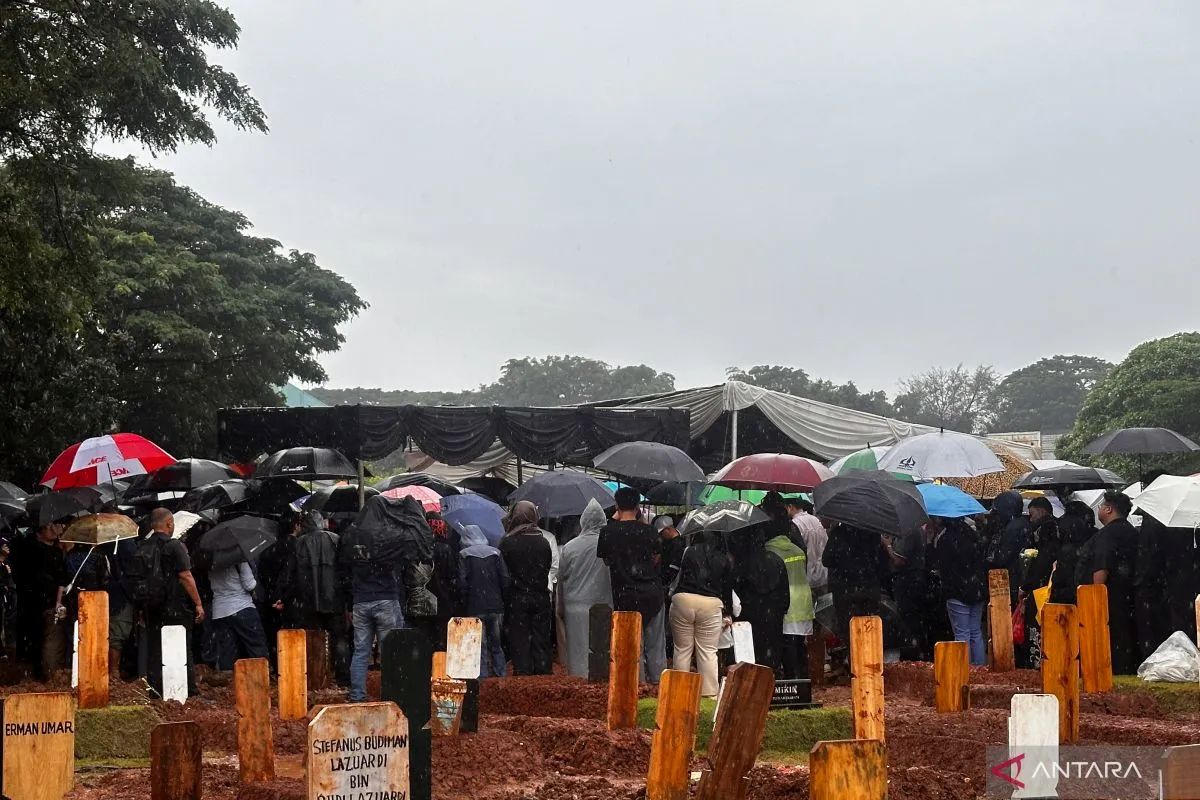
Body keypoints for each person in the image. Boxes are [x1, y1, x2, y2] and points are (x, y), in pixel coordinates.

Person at [337, 497, 418, 703]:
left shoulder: (352, 536)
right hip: (386, 599)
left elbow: (343, 568)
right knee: (390, 651)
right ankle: (393, 696)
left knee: (361, 651)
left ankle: (357, 695)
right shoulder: (387, 535)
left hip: (360, 601)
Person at [597, 487, 667, 684]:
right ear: (638, 506)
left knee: (631, 645)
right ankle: (658, 686)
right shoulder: (650, 531)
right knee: (655, 645)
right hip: (652, 592)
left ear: (617, 506)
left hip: (624, 594)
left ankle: (637, 686)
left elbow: (607, 561)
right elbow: (656, 558)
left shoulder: (607, 532)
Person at [273, 511, 350, 686]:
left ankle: (314, 678)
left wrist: (281, 596)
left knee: (312, 639)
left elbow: (289, 575)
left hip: (307, 600)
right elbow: (345, 572)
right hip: (334, 599)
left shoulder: (299, 544)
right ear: (321, 522)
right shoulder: (336, 540)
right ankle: (343, 678)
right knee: (340, 640)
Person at [135, 508, 205, 697]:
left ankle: (156, 690)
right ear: (169, 524)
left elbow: (137, 579)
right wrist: (198, 603)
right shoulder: (175, 546)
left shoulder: (141, 547)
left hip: (151, 606)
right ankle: (187, 690)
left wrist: (141, 608)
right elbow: (185, 575)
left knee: (155, 648)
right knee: (182, 647)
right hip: (175, 605)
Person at [670, 529, 734, 697]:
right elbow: (727, 590)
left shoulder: (689, 552)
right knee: (707, 651)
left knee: (682, 649)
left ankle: (680, 692)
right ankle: (709, 694)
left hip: (683, 599)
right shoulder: (724, 559)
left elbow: (679, 575)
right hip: (711, 604)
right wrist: (728, 612)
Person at [557, 499, 612, 678]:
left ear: (583, 521)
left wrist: (561, 607)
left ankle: (579, 685)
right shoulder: (610, 546)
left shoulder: (570, 547)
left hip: (575, 606)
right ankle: (601, 682)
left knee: (578, 649)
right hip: (604, 603)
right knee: (602, 647)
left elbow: (562, 576)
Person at [499, 501, 554, 675]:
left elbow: (504, 573)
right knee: (541, 636)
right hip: (540, 596)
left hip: (517, 597)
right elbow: (546, 567)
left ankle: (523, 671)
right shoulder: (544, 542)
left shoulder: (507, 543)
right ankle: (542, 670)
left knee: (519, 637)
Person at [11, 520, 69, 680]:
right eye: (49, 526)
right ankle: (41, 674)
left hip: (43, 601)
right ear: (39, 531)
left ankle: (42, 673)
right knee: (42, 638)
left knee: (47, 638)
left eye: (55, 525)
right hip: (34, 601)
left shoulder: (55, 552)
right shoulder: (30, 550)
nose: (54, 529)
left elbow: (61, 579)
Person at [1092, 491, 1139, 674]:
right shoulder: (1131, 531)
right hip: (1131, 594)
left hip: (1111, 595)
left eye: (1101, 506)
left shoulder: (1107, 534)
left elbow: (1102, 566)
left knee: (1114, 637)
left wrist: (1095, 597)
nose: (1099, 509)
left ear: (1109, 509)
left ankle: (1116, 670)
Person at [931, 515, 987, 665]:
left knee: (961, 633)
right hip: (976, 590)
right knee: (975, 631)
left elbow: (943, 567)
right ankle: (980, 669)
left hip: (957, 591)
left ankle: (963, 670)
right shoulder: (973, 536)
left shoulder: (945, 540)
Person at [763, 514, 814, 679]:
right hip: (803, 600)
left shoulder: (769, 552)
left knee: (788, 645)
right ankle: (804, 679)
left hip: (786, 602)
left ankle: (793, 681)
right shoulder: (798, 550)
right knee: (800, 644)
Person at [458, 523, 509, 677]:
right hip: (495, 605)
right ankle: (501, 674)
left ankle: (482, 676)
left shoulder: (464, 555)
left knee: (479, 645)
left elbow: (462, 582)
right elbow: (505, 579)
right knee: (496, 644)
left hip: (475, 605)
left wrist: (464, 602)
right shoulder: (496, 553)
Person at [821, 522, 888, 638]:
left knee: (848, 630)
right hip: (869, 588)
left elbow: (826, 560)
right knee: (869, 629)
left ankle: (853, 654)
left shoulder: (839, 531)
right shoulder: (874, 532)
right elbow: (881, 563)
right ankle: (869, 653)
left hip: (845, 589)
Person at [208, 557, 267, 670]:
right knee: (256, 645)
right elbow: (249, 585)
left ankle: (229, 679)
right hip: (242, 607)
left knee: (227, 650)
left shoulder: (212, 562)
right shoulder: (240, 559)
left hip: (220, 611)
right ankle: (261, 675)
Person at [1048, 501, 1097, 605]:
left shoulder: (1068, 548)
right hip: (1091, 598)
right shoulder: (1096, 538)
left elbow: (1060, 579)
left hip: (1070, 600)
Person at [986, 491, 1029, 604]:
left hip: (1008, 579)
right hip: (1016, 577)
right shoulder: (1022, 523)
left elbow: (1001, 557)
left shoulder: (1013, 528)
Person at [425, 513, 460, 651]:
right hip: (443, 599)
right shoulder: (446, 549)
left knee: (428, 636)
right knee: (442, 637)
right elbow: (451, 576)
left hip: (424, 600)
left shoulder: (422, 548)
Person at [786, 498, 828, 596]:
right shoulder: (816, 520)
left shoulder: (795, 524)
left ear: (790, 507)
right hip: (823, 574)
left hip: (807, 575)